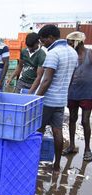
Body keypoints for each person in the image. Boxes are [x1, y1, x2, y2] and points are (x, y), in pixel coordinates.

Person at [36, 25, 78, 172]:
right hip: (61, 100)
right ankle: (56, 166)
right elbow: (71, 77)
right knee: (57, 131)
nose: (42, 44)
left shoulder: (53, 53)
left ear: (51, 38)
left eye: (43, 41)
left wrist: (35, 99)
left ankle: (33, 161)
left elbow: (46, 80)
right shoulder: (73, 52)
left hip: (47, 100)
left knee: (38, 130)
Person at [63, 31, 92, 161]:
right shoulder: (71, 55)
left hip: (87, 93)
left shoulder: (90, 54)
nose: (68, 44)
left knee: (85, 121)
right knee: (72, 119)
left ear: (77, 42)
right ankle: (72, 146)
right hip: (72, 92)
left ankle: (87, 149)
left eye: (70, 42)